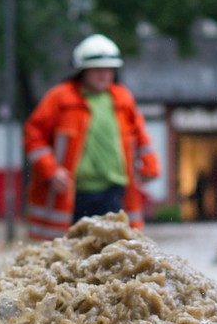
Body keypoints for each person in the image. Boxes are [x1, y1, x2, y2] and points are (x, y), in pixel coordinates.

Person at [24, 34, 160, 240]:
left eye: (109, 69)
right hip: (75, 194)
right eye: (97, 69)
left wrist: (150, 163)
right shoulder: (60, 98)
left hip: (115, 191)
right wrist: (50, 170)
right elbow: (33, 135)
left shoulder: (122, 98)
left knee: (114, 252)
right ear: (82, 71)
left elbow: (141, 136)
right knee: (74, 252)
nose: (104, 75)